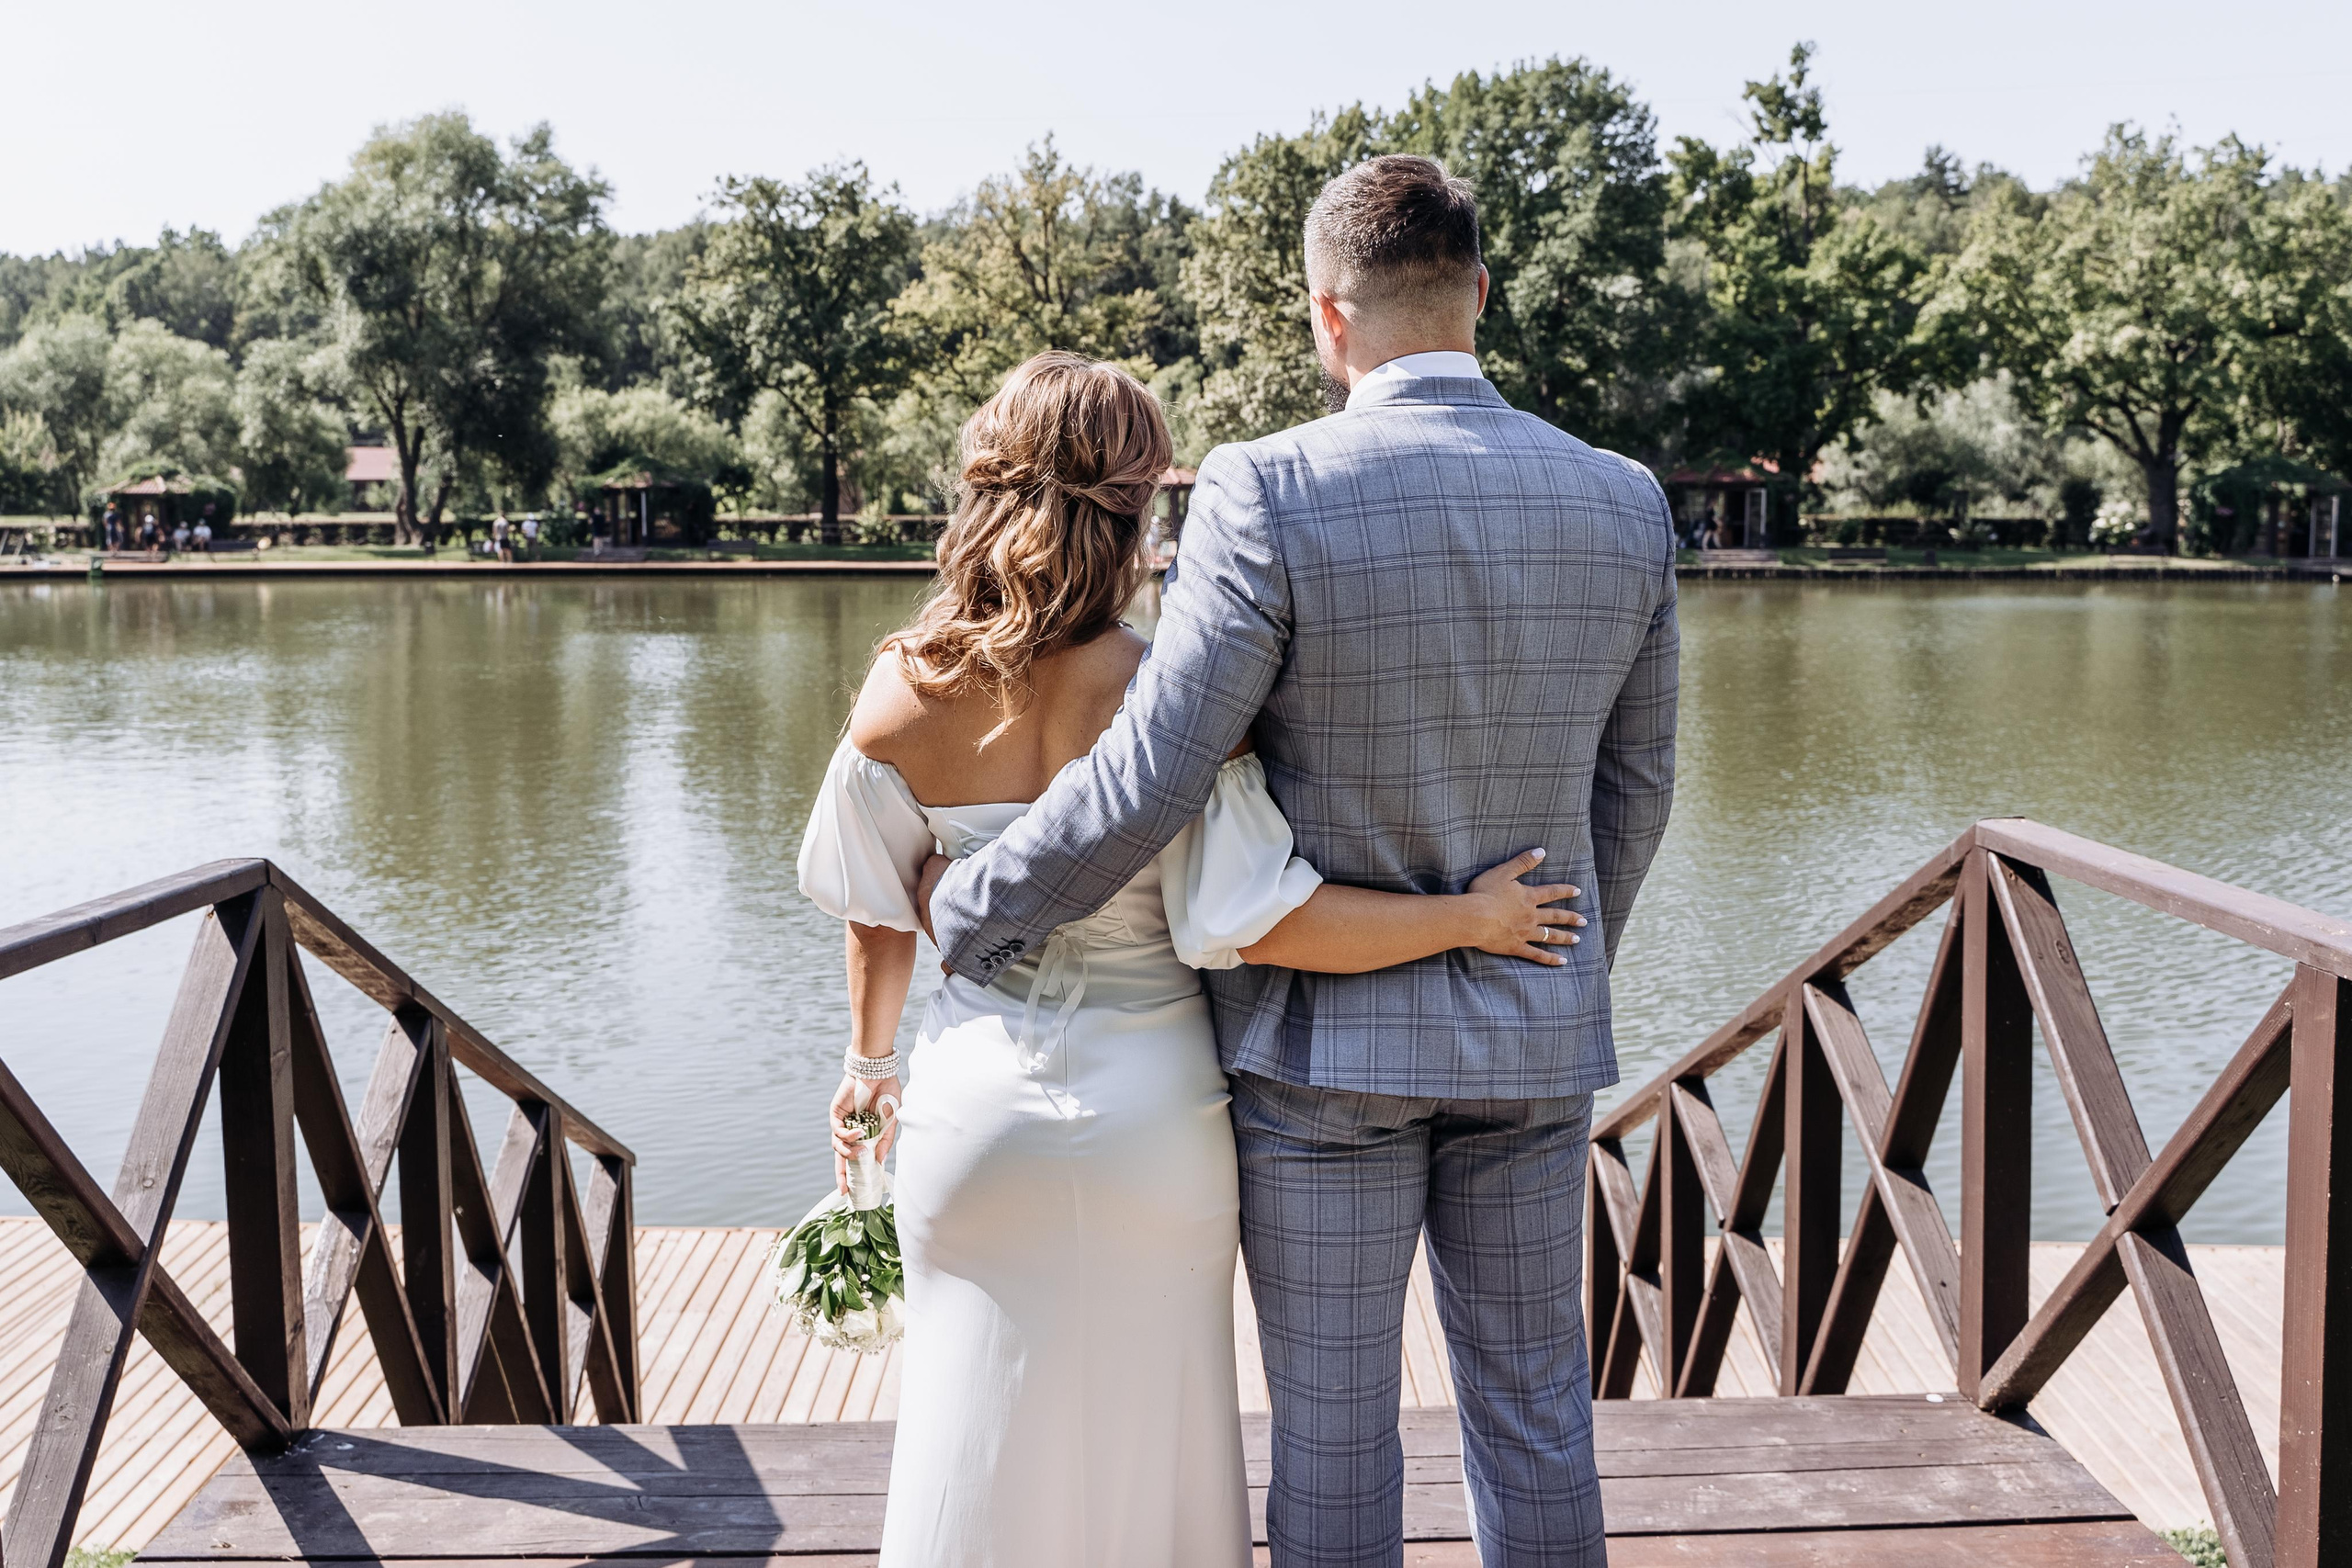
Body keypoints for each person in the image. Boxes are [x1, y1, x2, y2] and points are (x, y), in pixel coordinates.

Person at [926, 156, 1678, 1566]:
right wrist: (1555, 966)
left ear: (1327, 315)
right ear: (1482, 295)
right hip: (1530, 1043)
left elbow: (1154, 774)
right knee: (1536, 1416)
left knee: (1334, 1439)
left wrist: (976, 902)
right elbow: (1638, 789)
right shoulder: (1625, 499)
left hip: (1321, 1067)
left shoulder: (1266, 493)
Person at [797, 351, 1583, 1568]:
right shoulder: (1170, 696)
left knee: (974, 1439)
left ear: (981, 493)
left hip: (972, 1120)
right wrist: (1468, 921)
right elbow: (1265, 919)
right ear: (1138, 512)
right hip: (1155, 1127)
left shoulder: (905, 690)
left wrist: (866, 1065)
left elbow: (874, 912)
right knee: (1154, 1449)